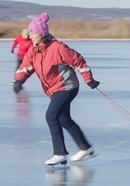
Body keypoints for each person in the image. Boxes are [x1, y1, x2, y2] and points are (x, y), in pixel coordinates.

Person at [12, 13, 100, 166]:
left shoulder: (58, 48)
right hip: (53, 89)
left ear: (41, 34)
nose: (30, 36)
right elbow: (26, 66)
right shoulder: (34, 50)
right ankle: (85, 148)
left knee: (51, 116)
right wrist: (19, 80)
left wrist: (89, 79)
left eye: (32, 33)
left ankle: (60, 153)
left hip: (66, 87)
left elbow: (78, 61)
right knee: (64, 119)